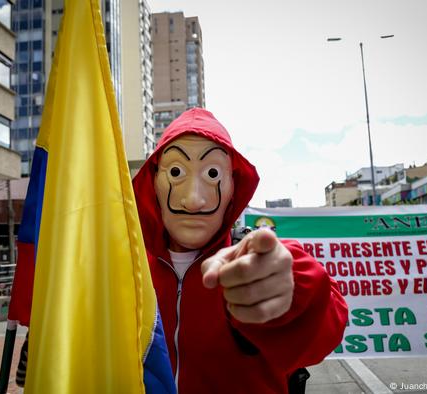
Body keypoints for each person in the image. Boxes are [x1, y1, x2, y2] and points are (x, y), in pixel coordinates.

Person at [130, 108, 348, 393]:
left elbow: (321, 332)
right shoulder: (128, 269)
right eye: (175, 172)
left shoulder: (249, 261)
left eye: (212, 173)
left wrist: (290, 292)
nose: (194, 200)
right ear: (153, 182)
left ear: (233, 186)